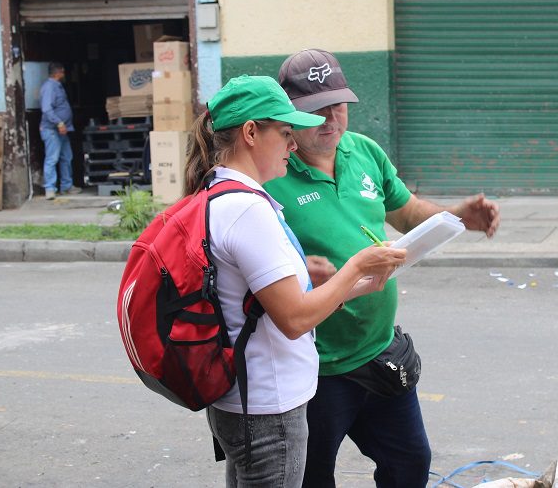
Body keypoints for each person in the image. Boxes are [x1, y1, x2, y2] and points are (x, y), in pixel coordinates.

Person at [264, 49, 501, 488]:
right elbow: (249, 266)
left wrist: (456, 216)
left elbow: (407, 211)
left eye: (338, 105)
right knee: (312, 477)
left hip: (378, 351)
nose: (331, 119)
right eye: (316, 110)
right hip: (317, 370)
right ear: (289, 114)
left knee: (410, 463)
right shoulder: (270, 172)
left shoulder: (363, 151)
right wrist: (301, 272)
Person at [186, 74, 406, 487]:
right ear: (251, 133)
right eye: (286, 132)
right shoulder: (248, 210)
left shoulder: (222, 192)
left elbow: (262, 297)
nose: (293, 143)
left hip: (245, 399)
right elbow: (294, 319)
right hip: (268, 403)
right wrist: (356, 269)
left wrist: (330, 282)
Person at [39, 62, 80, 200]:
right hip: (52, 130)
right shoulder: (50, 87)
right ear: (58, 73)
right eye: (62, 72)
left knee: (66, 157)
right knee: (52, 158)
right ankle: (50, 189)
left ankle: (66, 186)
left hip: (62, 130)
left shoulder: (57, 86)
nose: (64, 75)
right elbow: (46, 109)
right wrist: (59, 122)